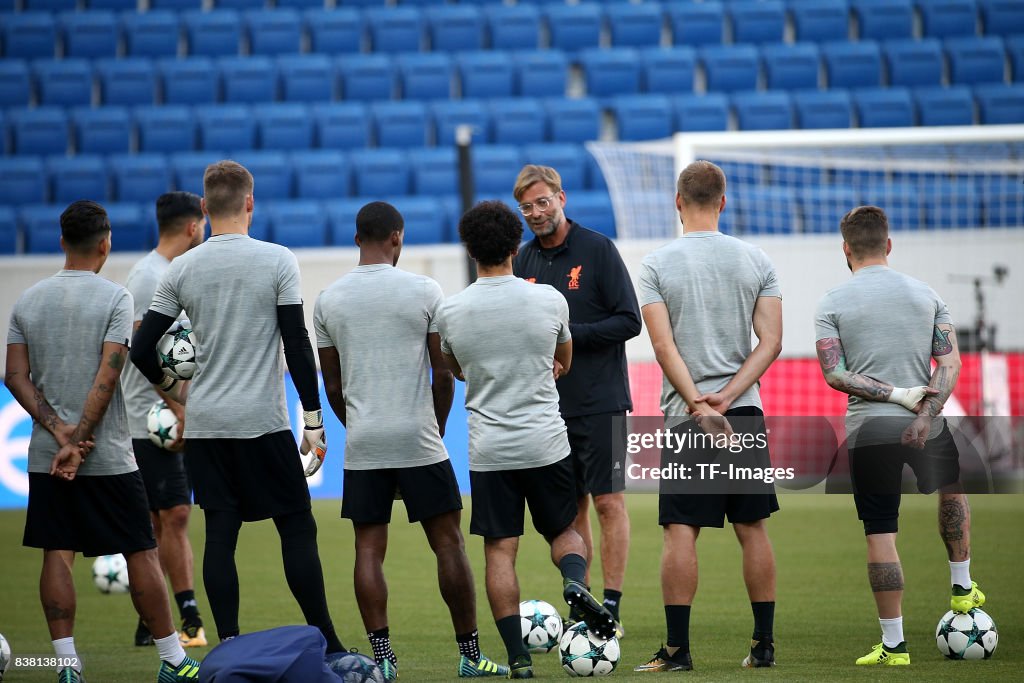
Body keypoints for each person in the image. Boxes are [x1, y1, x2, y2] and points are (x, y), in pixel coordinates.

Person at [129, 161, 346, 654]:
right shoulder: (278, 260)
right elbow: (295, 339)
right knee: (296, 527)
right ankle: (329, 642)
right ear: (250, 202)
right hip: (263, 422)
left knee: (220, 537)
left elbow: (141, 349)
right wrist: (312, 419)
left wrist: (178, 391)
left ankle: (227, 645)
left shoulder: (180, 268)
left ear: (205, 207)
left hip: (207, 427)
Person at [5, 200, 201, 683]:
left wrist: (59, 433)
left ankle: (67, 665)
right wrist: (83, 437)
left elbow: (14, 376)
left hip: (49, 455)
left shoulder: (27, 301)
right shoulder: (116, 299)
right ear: (105, 243)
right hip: (109, 453)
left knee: (57, 550)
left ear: (61, 243)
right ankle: (173, 660)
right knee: (140, 551)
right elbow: (108, 375)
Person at [313, 201, 507, 680]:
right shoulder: (424, 289)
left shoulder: (328, 299)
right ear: (397, 238)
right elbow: (443, 374)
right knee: (448, 545)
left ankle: (384, 661)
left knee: (367, 550)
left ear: (357, 238)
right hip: (418, 436)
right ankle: (470, 656)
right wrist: (435, 427)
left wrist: (355, 425)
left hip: (366, 441)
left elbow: (332, 386)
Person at [436, 200, 617, 680]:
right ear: (517, 246)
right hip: (545, 441)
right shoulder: (549, 299)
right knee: (563, 531)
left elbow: (455, 370)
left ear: (470, 249)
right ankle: (575, 582)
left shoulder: (450, 312)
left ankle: (517, 657)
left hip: (490, 449)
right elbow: (565, 360)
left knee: (500, 550)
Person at [814, 205, 985, 666]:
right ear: (889, 245)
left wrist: (897, 395)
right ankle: (962, 585)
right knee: (951, 490)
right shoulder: (926, 294)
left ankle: (894, 646)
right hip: (927, 423)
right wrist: (926, 412)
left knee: (881, 531)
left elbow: (835, 374)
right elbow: (950, 363)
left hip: (869, 430)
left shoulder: (832, 302)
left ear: (846, 249)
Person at [634, 160, 783, 671]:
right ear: (724, 201)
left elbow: (661, 344)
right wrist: (728, 396)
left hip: (687, 418)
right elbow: (772, 342)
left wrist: (698, 402)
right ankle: (763, 646)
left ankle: (677, 651)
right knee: (753, 527)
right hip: (741, 414)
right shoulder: (756, 259)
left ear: (678, 202)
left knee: (680, 529)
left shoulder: (656, 263)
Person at [511, 166, 641, 636]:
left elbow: (630, 321)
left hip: (602, 400)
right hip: (548, 408)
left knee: (609, 503)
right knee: (572, 512)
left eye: (543, 202)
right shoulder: (523, 261)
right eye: (526, 207)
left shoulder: (598, 249)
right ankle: (583, 605)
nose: (536, 213)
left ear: (561, 198)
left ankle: (612, 603)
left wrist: (568, 337)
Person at [122, 192, 207, 649]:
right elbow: (140, 352)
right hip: (149, 417)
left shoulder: (171, 273)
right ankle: (188, 615)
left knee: (163, 520)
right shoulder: (148, 277)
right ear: (193, 226)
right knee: (174, 514)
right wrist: (178, 407)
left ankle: (149, 618)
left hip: (168, 413)